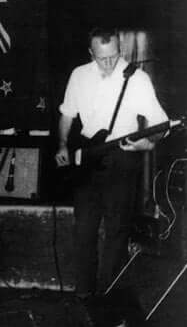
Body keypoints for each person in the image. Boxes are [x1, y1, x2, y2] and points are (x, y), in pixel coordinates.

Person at [55, 27, 168, 297]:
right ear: (91, 53)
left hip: (121, 156)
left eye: (113, 57)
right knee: (84, 228)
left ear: (120, 50)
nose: (108, 63)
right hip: (87, 155)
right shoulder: (79, 75)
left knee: (117, 230)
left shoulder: (137, 79)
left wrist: (147, 143)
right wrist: (62, 144)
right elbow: (67, 114)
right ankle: (84, 292)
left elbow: (161, 124)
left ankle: (110, 295)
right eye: (101, 58)